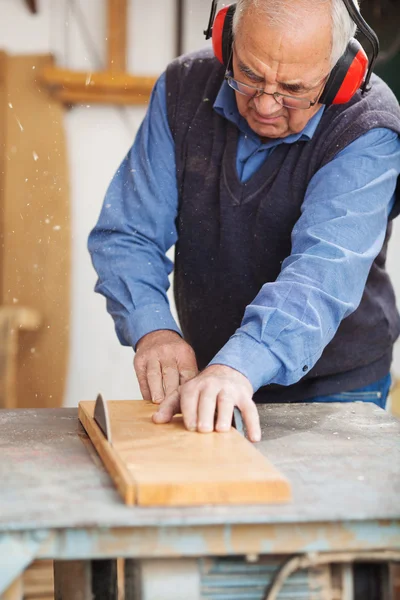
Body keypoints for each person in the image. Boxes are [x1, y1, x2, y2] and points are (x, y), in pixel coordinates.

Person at [88, 0, 400, 442]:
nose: (267, 105)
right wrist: (154, 330)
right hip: (212, 378)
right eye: (249, 75)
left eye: (293, 89)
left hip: (335, 390)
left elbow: (321, 276)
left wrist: (240, 364)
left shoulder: (366, 127)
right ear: (226, 40)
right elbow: (127, 234)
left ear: (338, 75)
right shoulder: (183, 88)